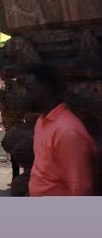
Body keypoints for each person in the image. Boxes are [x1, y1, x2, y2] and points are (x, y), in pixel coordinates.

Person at [20, 63, 96, 197]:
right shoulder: (42, 121)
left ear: (48, 90)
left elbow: (81, 188)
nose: (25, 95)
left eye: (29, 89)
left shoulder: (68, 131)